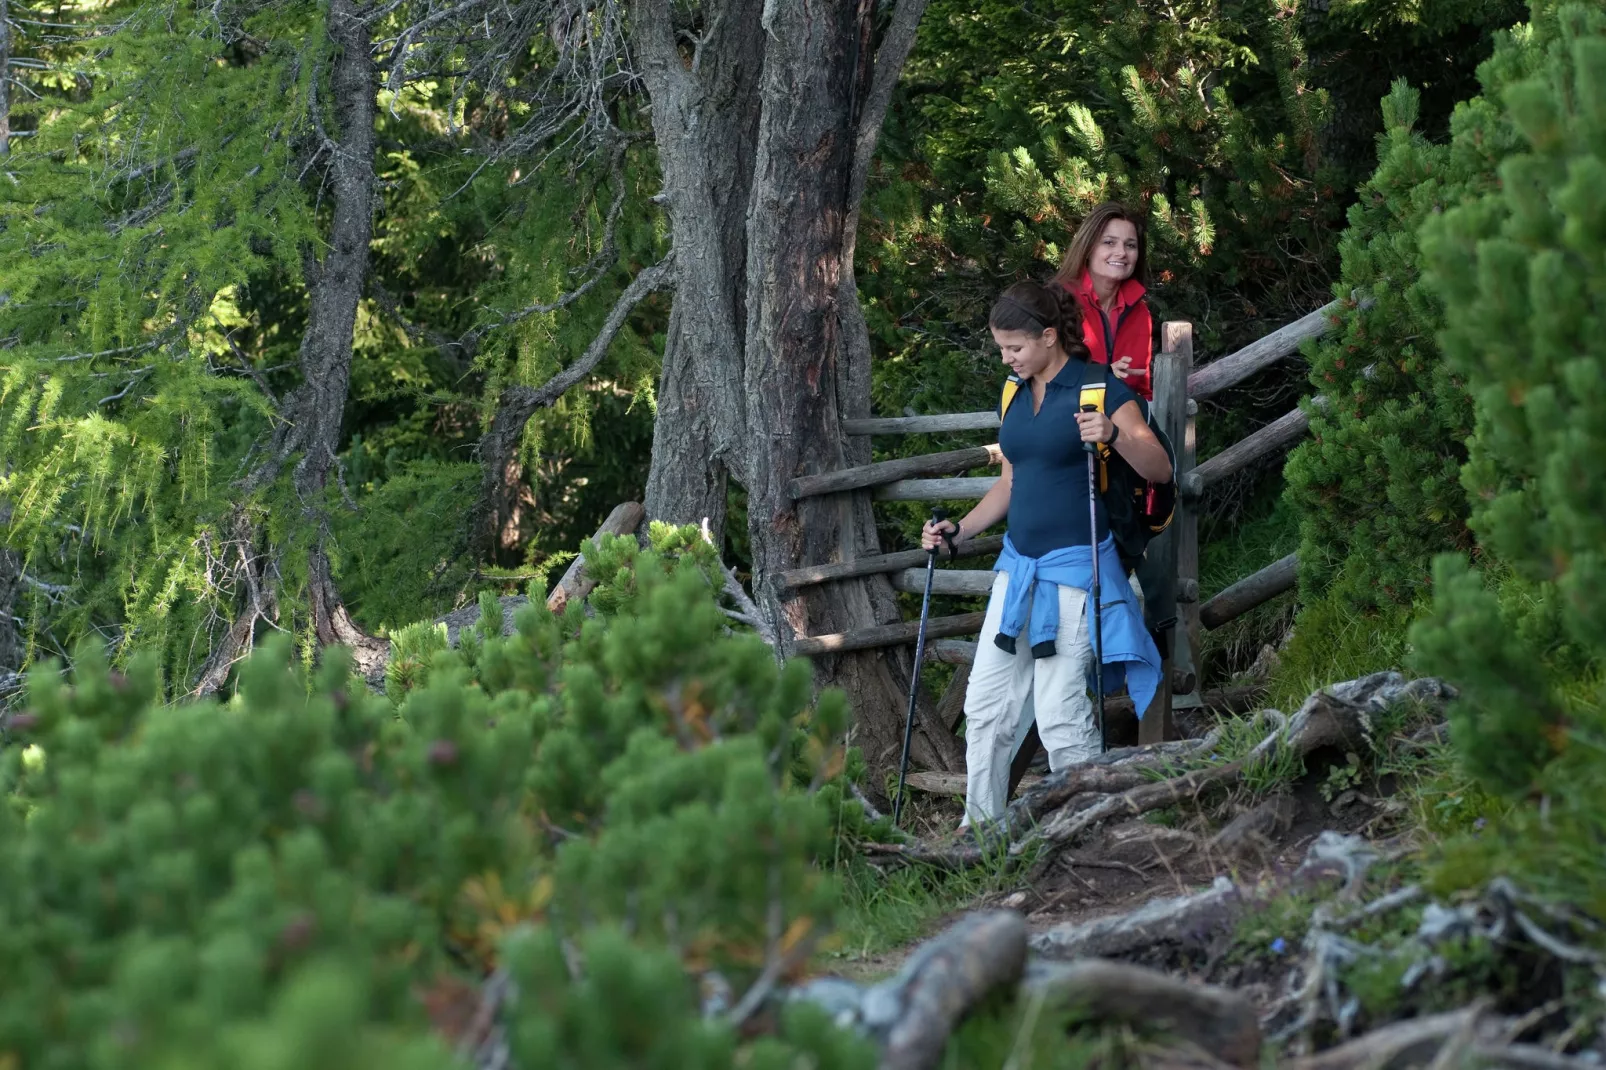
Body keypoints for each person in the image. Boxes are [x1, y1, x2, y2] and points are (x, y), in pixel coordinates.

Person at [922, 281, 1169, 829]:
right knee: (985, 708)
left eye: (1014, 347)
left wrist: (1112, 434)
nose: (1006, 358)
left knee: (1059, 713)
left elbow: (1159, 467)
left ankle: (1084, 828)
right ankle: (978, 833)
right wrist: (958, 531)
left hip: (1077, 574)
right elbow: (1012, 484)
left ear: (1050, 336)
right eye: (1002, 349)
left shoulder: (1097, 388)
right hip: (1018, 570)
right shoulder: (1014, 393)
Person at [1053, 202, 1155, 401]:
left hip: (1123, 427)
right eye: (1109, 242)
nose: (1121, 252)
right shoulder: (1056, 301)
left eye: (1130, 245)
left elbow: (1143, 391)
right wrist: (1104, 375)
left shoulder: (1140, 313)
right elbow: (1042, 380)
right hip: (1066, 425)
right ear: (1088, 248)